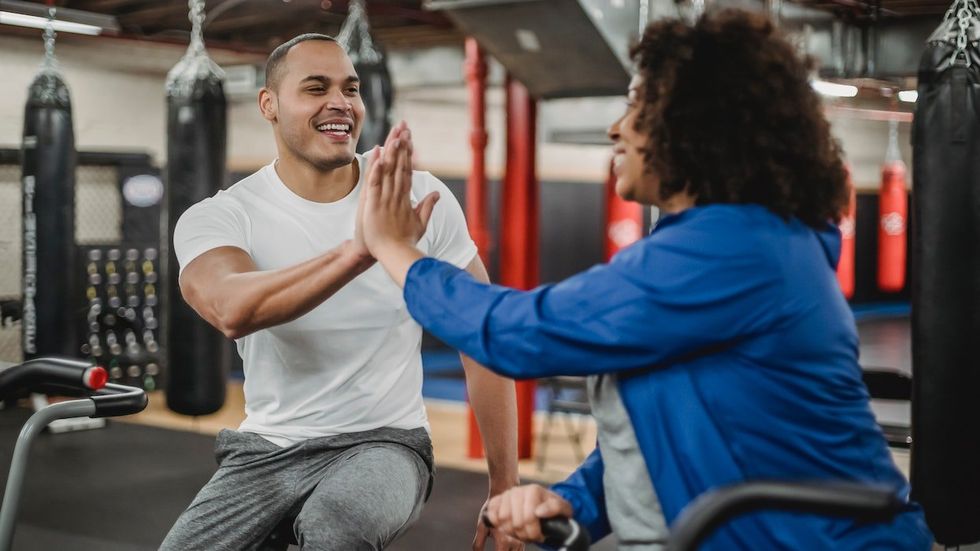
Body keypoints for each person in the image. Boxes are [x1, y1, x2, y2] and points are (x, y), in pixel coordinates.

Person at [358, 10, 934, 550]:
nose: (615, 129)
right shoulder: (728, 244)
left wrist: (396, 249)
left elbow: (518, 333)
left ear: (693, 126)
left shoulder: (733, 249)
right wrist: (571, 503)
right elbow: (661, 428)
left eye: (635, 106)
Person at [161, 33, 521, 551]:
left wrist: (504, 486)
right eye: (315, 88)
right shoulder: (223, 216)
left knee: (336, 528)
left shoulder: (417, 196)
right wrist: (362, 250)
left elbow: (482, 341)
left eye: (350, 89)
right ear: (269, 104)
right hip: (268, 447)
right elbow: (231, 307)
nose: (340, 102)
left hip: (386, 442)